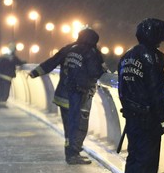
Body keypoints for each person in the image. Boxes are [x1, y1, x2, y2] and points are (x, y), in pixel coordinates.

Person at [118, 18, 164, 173]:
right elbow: (157, 90)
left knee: (134, 159)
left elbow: (123, 89)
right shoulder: (153, 58)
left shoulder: (126, 57)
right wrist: (162, 118)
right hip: (148, 119)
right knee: (147, 161)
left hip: (132, 117)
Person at [29, 27, 108, 164]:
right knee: (77, 126)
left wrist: (35, 72)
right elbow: (95, 71)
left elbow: (52, 62)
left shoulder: (68, 48)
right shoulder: (91, 52)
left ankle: (70, 153)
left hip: (62, 95)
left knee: (68, 126)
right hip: (77, 95)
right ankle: (73, 154)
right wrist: (103, 69)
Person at [0, 44, 25, 108]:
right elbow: (19, 63)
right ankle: (3, 103)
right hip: (7, 76)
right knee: (6, 90)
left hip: (0, 75)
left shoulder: (3, 56)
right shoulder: (13, 57)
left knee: (1, 89)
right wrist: (24, 62)